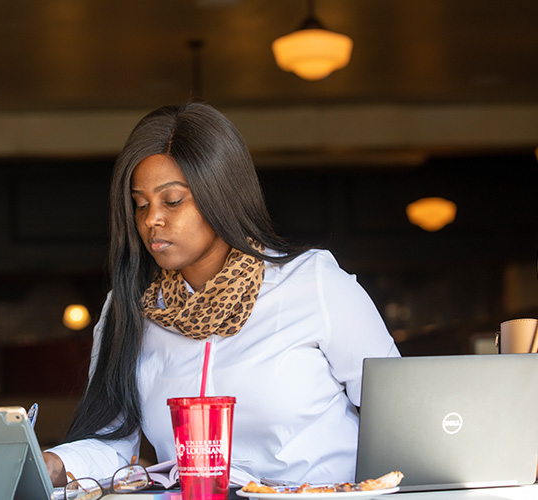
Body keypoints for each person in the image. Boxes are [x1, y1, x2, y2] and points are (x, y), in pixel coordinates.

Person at [43, 102, 399, 487]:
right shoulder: (129, 308)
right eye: (140, 204)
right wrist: (55, 462)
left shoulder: (313, 285)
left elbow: (400, 415)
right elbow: (111, 442)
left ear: (221, 194)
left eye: (172, 201)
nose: (151, 220)